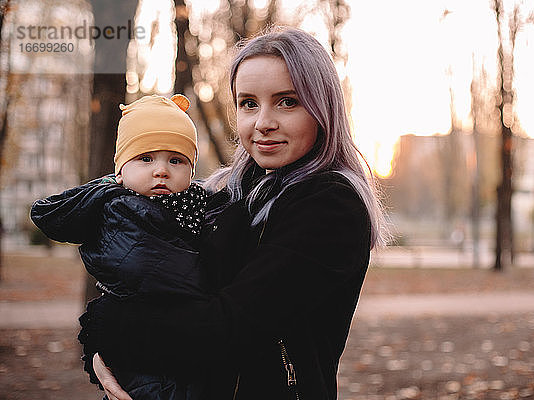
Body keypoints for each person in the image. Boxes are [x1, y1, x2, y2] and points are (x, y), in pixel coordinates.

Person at [80, 27, 385, 399]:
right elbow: (167, 289)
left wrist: (101, 326)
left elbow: (225, 329)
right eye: (248, 103)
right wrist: (107, 359)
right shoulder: (231, 193)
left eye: (287, 101)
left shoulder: (331, 206)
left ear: (322, 109)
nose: (263, 122)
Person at [30, 94, 213, 399]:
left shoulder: (190, 209)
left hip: (175, 354)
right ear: (120, 171)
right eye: (146, 158)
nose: (161, 170)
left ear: (192, 173)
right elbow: (159, 270)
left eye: (176, 160)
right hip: (143, 366)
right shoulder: (120, 211)